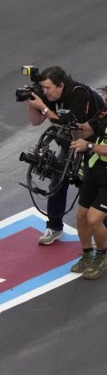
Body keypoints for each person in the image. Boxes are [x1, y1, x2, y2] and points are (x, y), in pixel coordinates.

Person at [25, 66, 103, 245]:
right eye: (42, 88)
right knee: (57, 181)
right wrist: (31, 103)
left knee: (92, 189)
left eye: (47, 88)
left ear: (60, 85)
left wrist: (43, 108)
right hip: (71, 145)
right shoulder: (54, 95)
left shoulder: (79, 94)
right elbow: (36, 121)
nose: (45, 92)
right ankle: (54, 227)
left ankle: (101, 232)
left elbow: (73, 127)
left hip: (91, 146)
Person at [70, 107, 107, 280]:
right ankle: (87, 254)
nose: (106, 99)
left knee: (94, 218)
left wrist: (89, 145)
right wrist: (70, 125)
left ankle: (102, 254)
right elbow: (86, 129)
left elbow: (91, 143)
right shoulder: (103, 113)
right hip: (94, 171)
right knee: (82, 215)